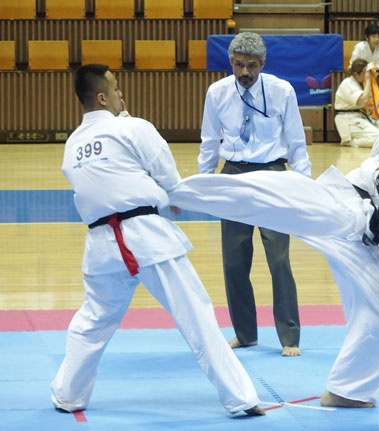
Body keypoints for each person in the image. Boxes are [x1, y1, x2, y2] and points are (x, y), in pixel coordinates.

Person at [169, 96, 379, 407]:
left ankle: (348, 391)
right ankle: (177, 192)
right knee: (272, 190)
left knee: (377, 319)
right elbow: (370, 164)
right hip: (340, 203)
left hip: (364, 236)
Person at [50, 64, 265, 417]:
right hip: (145, 237)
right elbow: (167, 174)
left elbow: (100, 183)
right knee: (195, 314)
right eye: (116, 89)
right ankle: (241, 398)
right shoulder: (133, 127)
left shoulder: (72, 143)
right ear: (103, 97)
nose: (122, 95)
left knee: (93, 320)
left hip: (102, 247)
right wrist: (172, 198)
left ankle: (67, 394)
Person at [198, 32, 311, 357]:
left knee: (279, 259)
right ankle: (245, 333)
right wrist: (204, 186)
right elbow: (209, 141)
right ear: (231, 63)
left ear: (262, 64)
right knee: (234, 263)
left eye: (251, 66)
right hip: (233, 175)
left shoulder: (281, 91)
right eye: (238, 65)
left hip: (273, 174)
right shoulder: (217, 92)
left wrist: (303, 185)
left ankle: (290, 338)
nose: (244, 72)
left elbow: (296, 141)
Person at [334, 58, 379, 148]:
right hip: (347, 119)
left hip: (360, 116)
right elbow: (362, 102)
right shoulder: (347, 84)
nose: (368, 75)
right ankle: (351, 142)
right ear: (356, 74)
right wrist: (368, 81)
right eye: (366, 73)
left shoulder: (359, 83)